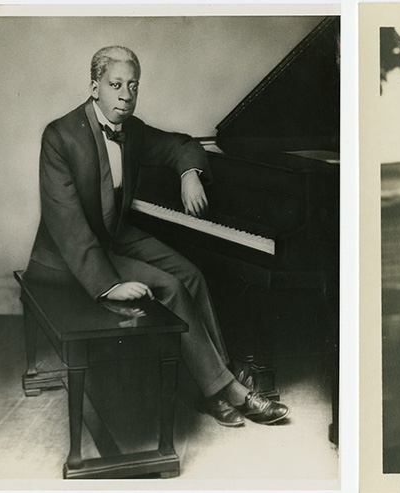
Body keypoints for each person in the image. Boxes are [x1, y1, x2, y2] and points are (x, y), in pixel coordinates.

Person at [24, 46, 289, 428]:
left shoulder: (132, 130)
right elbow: (69, 228)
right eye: (116, 85)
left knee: (192, 274)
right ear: (94, 87)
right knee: (170, 287)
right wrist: (108, 285)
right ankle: (227, 392)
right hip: (69, 259)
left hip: (112, 236)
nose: (126, 95)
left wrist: (188, 174)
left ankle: (215, 381)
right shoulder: (60, 136)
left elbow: (180, 145)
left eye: (133, 86)